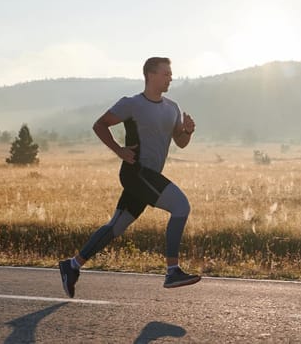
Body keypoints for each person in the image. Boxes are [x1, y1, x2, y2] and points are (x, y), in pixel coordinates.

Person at [59, 57, 199, 298]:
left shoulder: (172, 108)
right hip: (136, 172)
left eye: (170, 74)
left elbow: (181, 142)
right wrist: (119, 150)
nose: (170, 78)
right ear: (150, 75)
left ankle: (72, 265)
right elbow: (100, 125)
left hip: (150, 177)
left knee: (116, 227)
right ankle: (172, 270)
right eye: (166, 74)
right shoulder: (132, 104)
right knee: (181, 206)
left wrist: (187, 130)